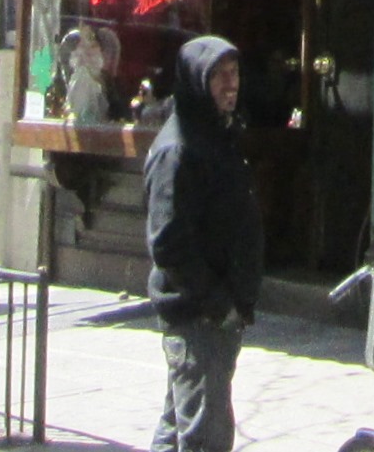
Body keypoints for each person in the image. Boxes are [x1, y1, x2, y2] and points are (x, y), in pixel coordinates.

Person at [143, 36, 263, 452]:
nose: (231, 84)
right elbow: (169, 242)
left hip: (216, 313)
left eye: (235, 73)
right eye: (219, 76)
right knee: (205, 437)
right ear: (197, 81)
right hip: (199, 317)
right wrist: (216, 302)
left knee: (179, 428)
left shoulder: (216, 135)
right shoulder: (179, 149)